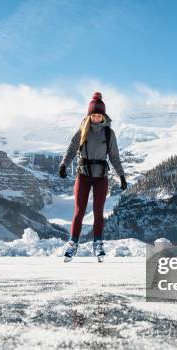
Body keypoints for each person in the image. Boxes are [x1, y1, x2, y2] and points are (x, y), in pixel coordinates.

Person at [58, 91, 127, 262]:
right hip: (84, 175)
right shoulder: (83, 130)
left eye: (99, 115)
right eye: (93, 115)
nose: (96, 118)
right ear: (89, 115)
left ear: (103, 116)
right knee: (79, 211)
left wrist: (122, 176)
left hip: (101, 177)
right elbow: (72, 149)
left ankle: (98, 243)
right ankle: (73, 244)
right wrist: (63, 165)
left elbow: (114, 156)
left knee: (98, 211)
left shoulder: (108, 133)